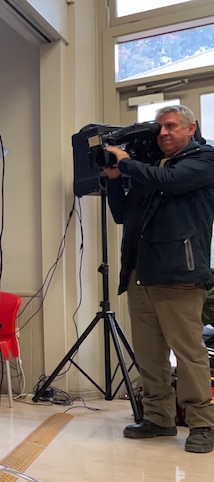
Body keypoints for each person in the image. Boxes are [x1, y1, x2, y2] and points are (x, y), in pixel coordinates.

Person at [104, 103, 214, 454]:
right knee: (149, 354)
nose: (163, 133)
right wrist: (114, 182)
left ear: (190, 129)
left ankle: (202, 424)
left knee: (188, 352)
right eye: (160, 128)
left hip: (178, 273)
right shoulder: (150, 170)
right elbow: (123, 215)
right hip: (141, 273)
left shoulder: (204, 159)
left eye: (170, 126)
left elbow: (173, 182)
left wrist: (126, 163)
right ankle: (158, 418)